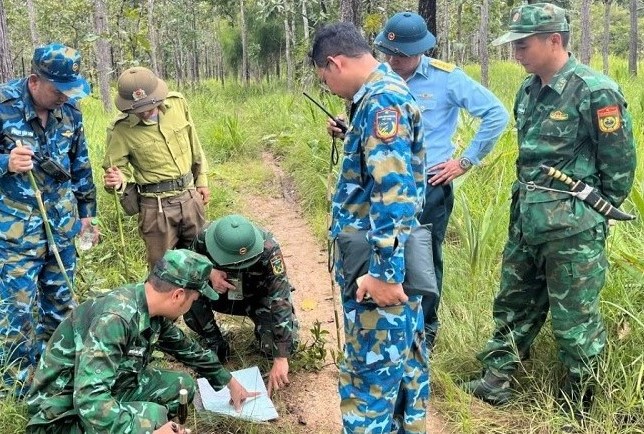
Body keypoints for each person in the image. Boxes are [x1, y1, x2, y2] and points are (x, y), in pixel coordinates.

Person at [461, 2, 636, 416]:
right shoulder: (528, 89)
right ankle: (496, 379)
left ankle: (581, 402)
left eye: (522, 45)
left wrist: (589, 214)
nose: (516, 53)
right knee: (514, 301)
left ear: (553, 40)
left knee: (574, 319)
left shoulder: (596, 90)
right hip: (527, 218)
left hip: (572, 228)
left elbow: (619, 167)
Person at [311, 22, 429, 433]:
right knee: (404, 365)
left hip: (377, 265)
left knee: (370, 373)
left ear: (334, 63)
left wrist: (383, 274)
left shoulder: (382, 103)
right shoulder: (380, 97)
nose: (327, 86)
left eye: (323, 77)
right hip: (382, 257)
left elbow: (392, 193)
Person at [373, 11, 509, 349]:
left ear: (420, 50)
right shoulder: (377, 78)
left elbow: (495, 113)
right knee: (382, 250)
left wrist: (464, 161)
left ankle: (425, 331)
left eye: (401, 54)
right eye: (389, 52)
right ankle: (387, 320)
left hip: (428, 186)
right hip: (383, 184)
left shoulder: (447, 78)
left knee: (423, 258)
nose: (394, 60)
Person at [26, 249, 258, 434]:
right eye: (194, 299)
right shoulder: (115, 319)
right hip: (62, 412)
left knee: (183, 387)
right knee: (154, 416)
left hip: (107, 383)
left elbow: (186, 348)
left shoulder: (148, 306)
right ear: (177, 295)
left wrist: (228, 381)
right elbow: (90, 399)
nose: (193, 305)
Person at [0, 42, 97, 396]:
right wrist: (6, 164)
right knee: (18, 315)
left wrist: (88, 216)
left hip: (60, 230)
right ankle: (20, 388)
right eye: (59, 90)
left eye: (70, 90)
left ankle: (59, 375)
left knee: (61, 307)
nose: (65, 98)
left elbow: (80, 166)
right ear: (34, 81)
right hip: (15, 236)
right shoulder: (3, 107)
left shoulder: (70, 112)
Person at [103, 66, 209, 269]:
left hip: (190, 198)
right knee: (163, 272)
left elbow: (194, 143)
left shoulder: (177, 104)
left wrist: (201, 180)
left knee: (201, 263)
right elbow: (116, 173)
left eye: (149, 107)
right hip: (156, 209)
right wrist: (117, 182)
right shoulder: (120, 130)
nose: (144, 113)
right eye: (138, 110)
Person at [183, 214, 299, 397]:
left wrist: (281, 357)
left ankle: (265, 339)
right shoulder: (204, 237)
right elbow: (188, 266)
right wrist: (209, 272)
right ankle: (215, 342)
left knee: (284, 343)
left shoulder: (270, 249)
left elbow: (281, 299)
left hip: (257, 298)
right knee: (187, 296)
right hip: (220, 295)